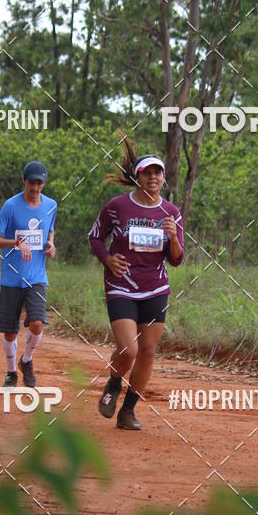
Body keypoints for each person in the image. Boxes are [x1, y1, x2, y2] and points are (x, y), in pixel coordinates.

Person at [88, 139, 184, 430]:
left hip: (155, 287)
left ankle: (128, 411)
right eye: (147, 173)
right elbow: (94, 237)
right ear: (137, 177)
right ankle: (114, 382)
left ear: (163, 178)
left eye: (158, 173)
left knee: (148, 351)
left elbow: (177, 259)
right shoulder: (117, 207)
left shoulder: (171, 213)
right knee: (128, 350)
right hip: (121, 286)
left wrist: (174, 237)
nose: (153, 178)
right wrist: (107, 259)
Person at [0, 161, 57, 388]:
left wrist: (51, 245)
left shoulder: (51, 205)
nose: (35, 188)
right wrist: (15, 242)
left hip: (36, 277)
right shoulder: (10, 206)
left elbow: (50, 230)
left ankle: (26, 361)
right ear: (23, 180)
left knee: (37, 323)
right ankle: (11, 373)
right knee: (9, 332)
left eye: (40, 183)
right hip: (11, 278)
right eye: (32, 182)